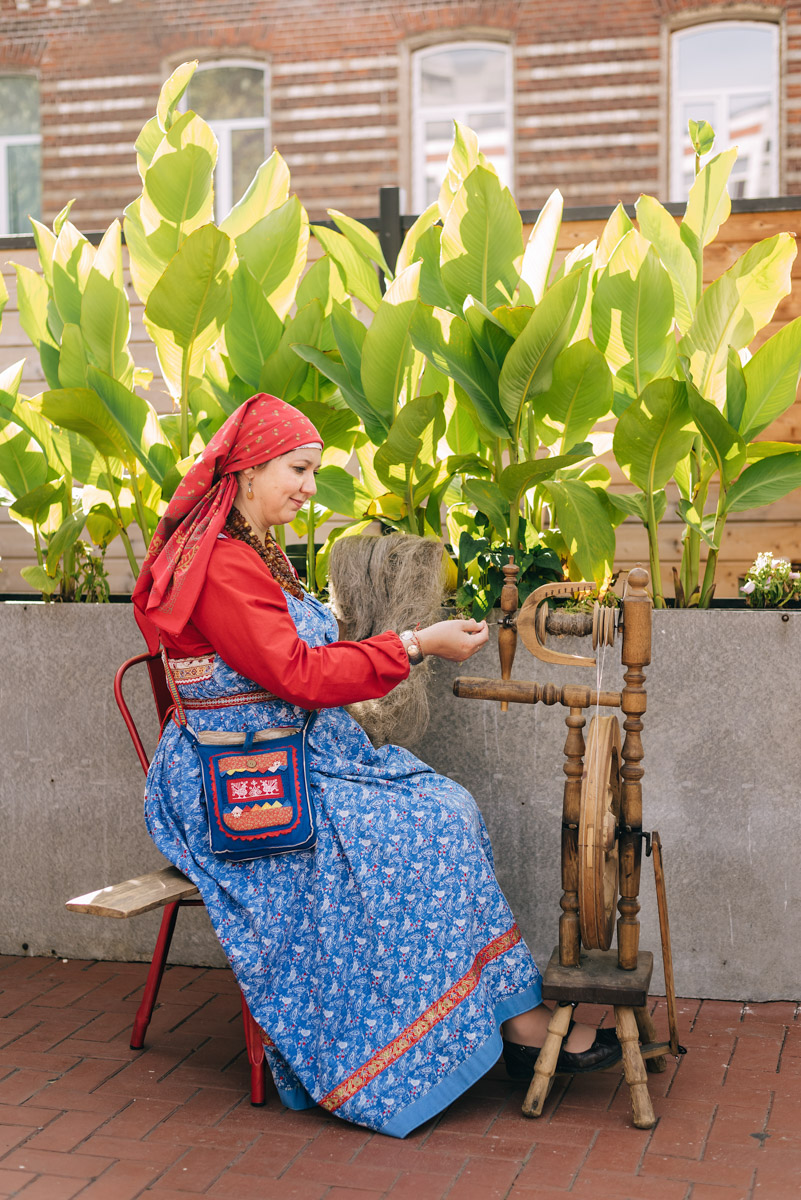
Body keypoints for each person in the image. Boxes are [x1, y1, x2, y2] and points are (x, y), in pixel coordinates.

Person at [132, 393, 620, 1138]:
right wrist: (415, 644)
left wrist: (401, 645)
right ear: (249, 469)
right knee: (417, 829)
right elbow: (297, 673)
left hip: (289, 753)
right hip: (236, 780)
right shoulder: (223, 564)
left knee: (440, 807)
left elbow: (299, 669)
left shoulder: (250, 548)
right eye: (296, 470)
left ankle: (508, 1014)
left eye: (311, 471)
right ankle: (453, 1035)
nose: (306, 485)